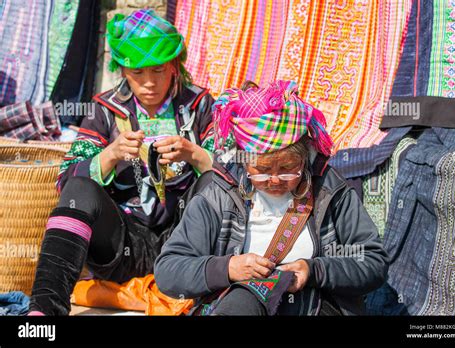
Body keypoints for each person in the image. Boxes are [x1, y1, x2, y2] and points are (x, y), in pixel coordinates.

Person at [28, 9, 217, 316]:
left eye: (157, 70)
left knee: (212, 182)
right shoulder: (105, 109)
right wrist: (110, 154)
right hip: (123, 247)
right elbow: (64, 180)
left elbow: (235, 176)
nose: (149, 83)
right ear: (123, 71)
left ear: (174, 65)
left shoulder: (200, 105)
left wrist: (193, 154)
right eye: (137, 73)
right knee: (80, 188)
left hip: (185, 247)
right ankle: (44, 310)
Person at [154, 80, 389, 315]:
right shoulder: (219, 193)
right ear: (244, 162)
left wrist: (315, 271)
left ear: (305, 158)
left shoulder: (329, 189)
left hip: (314, 307)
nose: (275, 180)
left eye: (288, 168)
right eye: (262, 171)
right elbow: (168, 270)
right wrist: (227, 268)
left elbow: (373, 261)